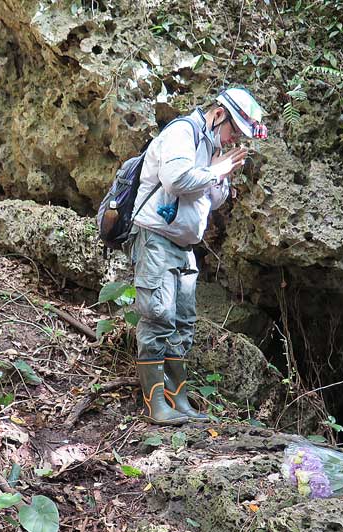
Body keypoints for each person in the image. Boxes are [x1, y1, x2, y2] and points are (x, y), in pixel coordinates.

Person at [130, 87, 268, 425]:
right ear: (218, 114)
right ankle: (155, 404)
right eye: (234, 130)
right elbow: (175, 180)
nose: (233, 138)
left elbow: (210, 199)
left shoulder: (210, 146)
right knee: (158, 315)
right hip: (156, 238)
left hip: (183, 245)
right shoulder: (182, 132)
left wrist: (222, 177)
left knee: (183, 323)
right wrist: (216, 170)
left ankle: (179, 400)